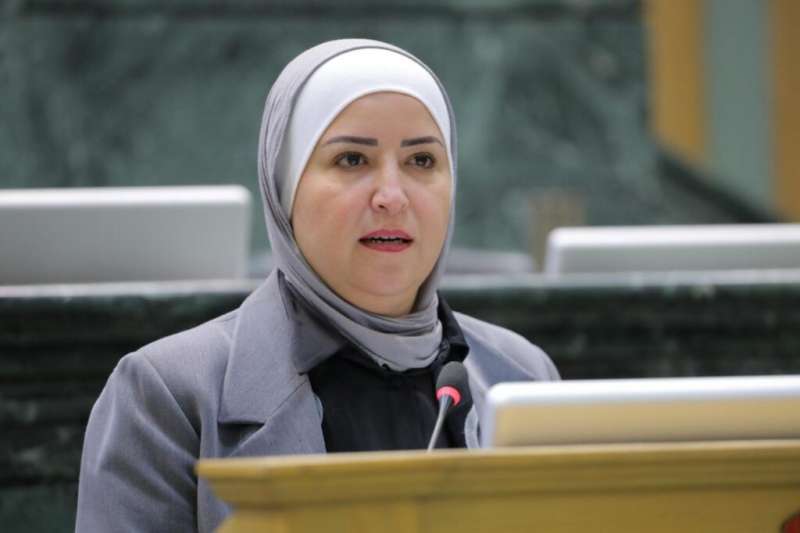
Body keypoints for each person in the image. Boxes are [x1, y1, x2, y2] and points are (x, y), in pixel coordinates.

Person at [75, 38, 559, 532]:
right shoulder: (168, 395)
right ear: (284, 187)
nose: (392, 196)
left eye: (421, 161)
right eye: (352, 160)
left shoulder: (523, 375)